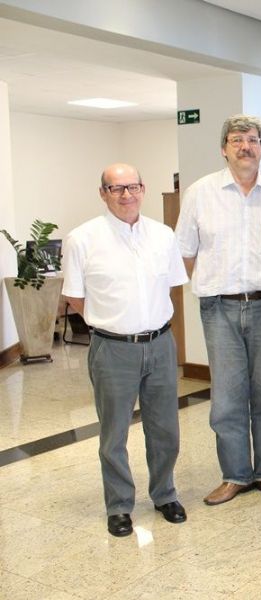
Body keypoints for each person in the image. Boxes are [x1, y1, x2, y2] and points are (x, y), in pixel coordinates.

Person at [175, 115, 261, 506]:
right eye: (236, 140)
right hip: (219, 309)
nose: (245, 146)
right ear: (224, 148)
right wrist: (211, 287)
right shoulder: (200, 193)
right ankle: (234, 475)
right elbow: (184, 253)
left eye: (252, 139)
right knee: (227, 397)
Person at [62, 163, 189, 537]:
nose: (126, 195)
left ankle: (165, 494)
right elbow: (74, 296)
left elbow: (171, 286)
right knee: (114, 434)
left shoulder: (163, 235)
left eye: (132, 187)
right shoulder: (82, 239)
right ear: (103, 193)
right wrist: (109, 322)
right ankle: (119, 506)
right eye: (116, 188)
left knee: (165, 429)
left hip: (160, 344)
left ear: (143, 189)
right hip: (113, 349)